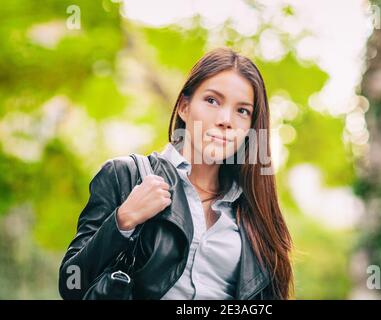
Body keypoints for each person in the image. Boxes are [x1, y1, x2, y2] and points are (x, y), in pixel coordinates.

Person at [59, 47, 294, 300]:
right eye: (212, 100)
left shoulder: (255, 210)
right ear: (184, 107)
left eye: (242, 111)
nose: (225, 120)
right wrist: (123, 221)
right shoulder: (124, 176)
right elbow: (71, 284)